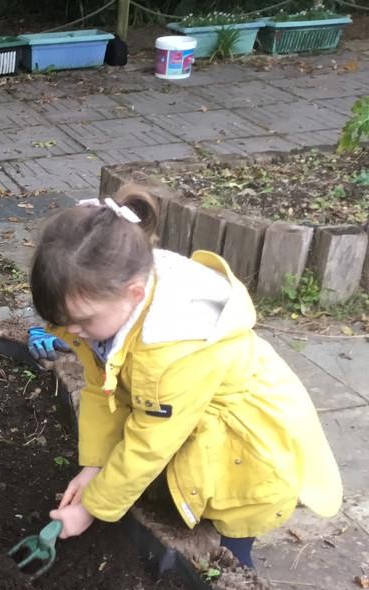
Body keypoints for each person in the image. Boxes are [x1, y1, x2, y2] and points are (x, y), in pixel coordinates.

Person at [29, 186, 342, 569]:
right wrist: (94, 465)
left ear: (134, 292)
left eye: (82, 320)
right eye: (65, 322)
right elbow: (100, 388)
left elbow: (149, 443)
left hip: (248, 446)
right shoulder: (111, 304)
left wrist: (93, 508)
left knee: (230, 535)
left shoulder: (171, 349)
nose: (73, 331)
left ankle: (234, 582)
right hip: (192, 420)